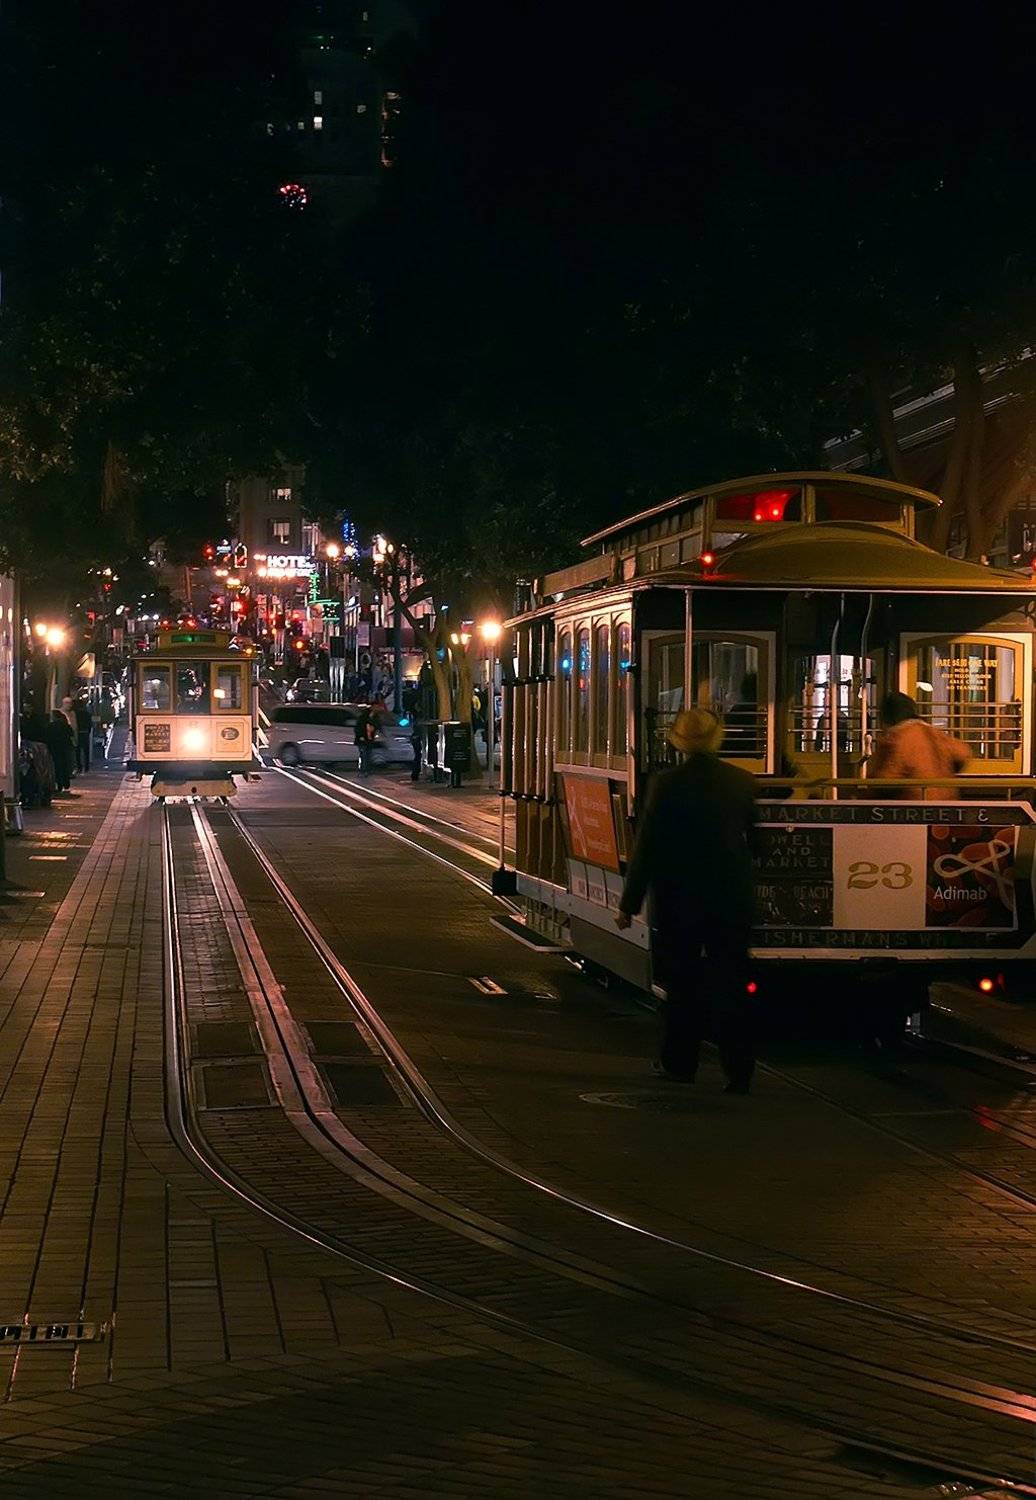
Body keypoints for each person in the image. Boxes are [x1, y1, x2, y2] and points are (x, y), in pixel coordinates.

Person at [616, 706, 758, 1093]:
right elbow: (758, 844)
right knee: (733, 983)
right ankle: (739, 1070)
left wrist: (629, 904)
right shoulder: (742, 783)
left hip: (680, 900)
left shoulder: (665, 784)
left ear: (678, 742)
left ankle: (680, 1063)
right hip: (731, 900)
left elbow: (647, 847)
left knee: (682, 985)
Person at [868, 692, 969, 799]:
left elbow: (886, 779)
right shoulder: (934, 732)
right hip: (948, 802)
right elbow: (963, 753)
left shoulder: (897, 738)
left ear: (888, 716)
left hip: (916, 805)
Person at [46, 710, 76, 793]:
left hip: (55, 748)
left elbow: (47, 736)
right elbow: (71, 734)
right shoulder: (65, 725)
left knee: (57, 766)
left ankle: (59, 783)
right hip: (65, 747)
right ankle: (66, 781)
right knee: (65, 764)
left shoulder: (51, 726)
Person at [354, 701, 380, 774]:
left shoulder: (375, 716)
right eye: (376, 707)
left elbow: (378, 725)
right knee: (364, 755)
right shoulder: (364, 716)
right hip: (363, 738)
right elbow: (359, 727)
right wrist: (361, 736)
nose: (377, 708)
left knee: (368, 755)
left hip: (370, 739)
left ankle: (367, 769)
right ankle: (363, 770)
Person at [73, 696, 93, 773]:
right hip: (85, 733)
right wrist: (88, 731)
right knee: (86, 751)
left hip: (78, 733)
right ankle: (87, 766)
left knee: (77, 751)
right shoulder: (87, 714)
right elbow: (90, 725)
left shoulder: (75, 714)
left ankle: (79, 767)